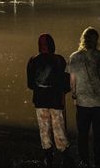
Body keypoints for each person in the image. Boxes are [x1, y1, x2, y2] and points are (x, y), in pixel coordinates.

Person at [69, 27, 100, 168]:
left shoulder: (74, 57)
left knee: (83, 135)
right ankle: (97, 160)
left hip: (82, 104)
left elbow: (72, 80)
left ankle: (85, 161)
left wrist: (74, 97)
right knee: (99, 135)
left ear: (83, 39)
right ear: (96, 40)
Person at [27, 33, 72, 168]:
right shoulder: (59, 60)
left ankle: (48, 156)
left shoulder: (33, 60)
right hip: (56, 100)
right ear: (52, 45)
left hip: (40, 100)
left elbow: (30, 84)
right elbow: (66, 83)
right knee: (59, 128)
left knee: (44, 129)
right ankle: (64, 154)